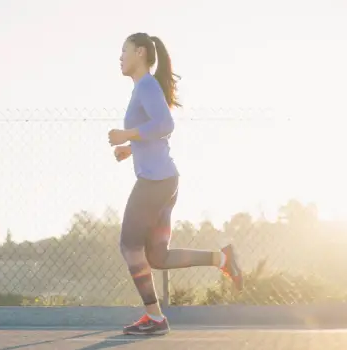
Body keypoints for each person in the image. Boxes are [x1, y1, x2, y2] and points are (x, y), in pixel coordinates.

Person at [108, 32, 243, 336]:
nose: (120, 57)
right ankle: (223, 259)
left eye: (124, 51)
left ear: (140, 53)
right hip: (165, 181)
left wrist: (126, 135)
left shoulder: (146, 86)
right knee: (156, 256)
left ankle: (155, 319)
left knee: (129, 246)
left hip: (155, 183)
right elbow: (157, 130)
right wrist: (131, 149)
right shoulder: (144, 88)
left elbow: (165, 125)